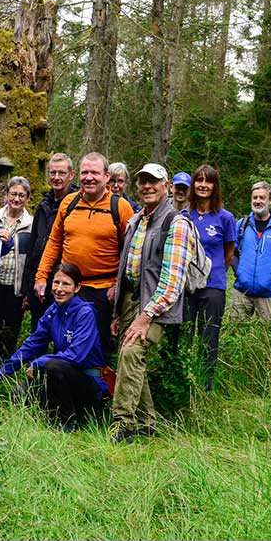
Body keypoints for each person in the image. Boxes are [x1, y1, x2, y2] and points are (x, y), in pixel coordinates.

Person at [110, 164, 194, 443]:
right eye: (142, 181)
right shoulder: (136, 220)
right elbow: (125, 269)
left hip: (156, 305)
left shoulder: (176, 223)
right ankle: (147, 422)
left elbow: (173, 281)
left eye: (153, 182)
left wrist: (145, 317)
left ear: (167, 186)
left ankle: (122, 425)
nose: (147, 186)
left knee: (131, 353)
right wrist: (116, 312)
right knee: (130, 358)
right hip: (129, 300)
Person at [0, 263, 110, 432]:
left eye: (66, 284)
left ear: (77, 287)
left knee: (52, 366)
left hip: (90, 382)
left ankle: (68, 424)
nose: (59, 289)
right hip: (63, 377)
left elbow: (76, 356)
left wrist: (39, 363)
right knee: (19, 394)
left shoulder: (85, 313)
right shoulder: (52, 311)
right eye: (56, 283)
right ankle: (58, 416)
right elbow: (31, 346)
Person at [33, 152, 135, 356]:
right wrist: (42, 276)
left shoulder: (121, 207)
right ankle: (58, 382)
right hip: (68, 287)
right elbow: (54, 241)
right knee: (63, 340)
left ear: (106, 176)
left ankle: (98, 386)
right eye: (85, 172)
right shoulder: (69, 203)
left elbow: (130, 252)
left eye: (95, 173)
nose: (89, 177)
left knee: (98, 346)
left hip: (103, 290)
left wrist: (118, 284)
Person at [179, 164, 236, 389]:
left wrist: (213, 272)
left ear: (215, 186)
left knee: (208, 337)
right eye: (199, 180)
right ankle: (181, 382)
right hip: (186, 286)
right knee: (183, 335)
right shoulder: (184, 215)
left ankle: (204, 386)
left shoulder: (225, 217)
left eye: (208, 181)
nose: (203, 185)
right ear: (194, 184)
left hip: (213, 286)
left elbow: (228, 252)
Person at [20, 153, 77, 324]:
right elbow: (33, 246)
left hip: (62, 280)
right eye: (53, 173)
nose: (56, 177)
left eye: (61, 173)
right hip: (39, 281)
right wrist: (27, 288)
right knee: (39, 329)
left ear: (71, 175)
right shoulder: (44, 204)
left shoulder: (77, 204)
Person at [229, 181, 271, 322]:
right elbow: (232, 251)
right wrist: (239, 271)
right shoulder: (242, 224)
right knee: (236, 335)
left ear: (270, 200)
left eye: (262, 197)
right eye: (255, 197)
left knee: (270, 338)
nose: (258, 201)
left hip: (270, 292)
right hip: (241, 292)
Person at [0, 177, 34, 363]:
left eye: (21, 195)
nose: (17, 199)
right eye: (13, 194)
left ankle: (3, 364)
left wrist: (27, 290)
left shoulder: (31, 224)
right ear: (6, 195)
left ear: (28, 198)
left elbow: (31, 258)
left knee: (11, 327)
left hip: (15, 285)